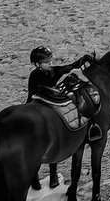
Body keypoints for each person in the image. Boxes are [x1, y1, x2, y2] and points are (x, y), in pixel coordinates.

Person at [26, 47, 97, 189]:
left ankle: (53, 174)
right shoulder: (35, 76)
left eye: (50, 61)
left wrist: (81, 61)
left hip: (51, 105)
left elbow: (66, 68)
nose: (50, 64)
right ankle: (34, 177)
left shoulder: (51, 71)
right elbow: (37, 92)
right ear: (37, 64)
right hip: (39, 104)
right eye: (46, 62)